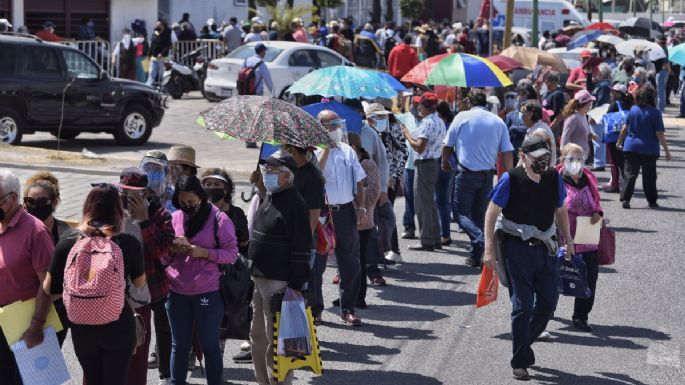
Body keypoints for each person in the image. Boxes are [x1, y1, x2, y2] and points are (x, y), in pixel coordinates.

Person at [27, 184, 145, 385]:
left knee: (93, 378)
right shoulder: (128, 242)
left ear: (87, 208)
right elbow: (139, 283)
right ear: (118, 210)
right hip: (118, 323)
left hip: (83, 327)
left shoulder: (69, 240)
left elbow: (49, 288)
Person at [483, 136, 574, 381]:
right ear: (523, 156)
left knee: (547, 305)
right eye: (538, 160)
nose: (543, 164)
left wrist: (569, 239)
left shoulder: (553, 177)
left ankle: (525, 344)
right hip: (517, 250)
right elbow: (492, 213)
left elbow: (560, 209)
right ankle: (520, 361)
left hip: (546, 248)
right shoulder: (510, 178)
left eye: (546, 159)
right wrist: (488, 249)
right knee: (522, 306)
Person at [165, 175, 237, 385]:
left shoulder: (219, 219)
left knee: (209, 346)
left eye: (192, 202)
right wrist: (171, 249)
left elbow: (231, 253)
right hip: (177, 291)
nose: (187, 206)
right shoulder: (175, 217)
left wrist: (204, 253)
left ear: (202, 197)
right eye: (183, 202)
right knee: (179, 346)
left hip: (207, 291)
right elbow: (162, 255)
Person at [249, 150, 311, 385]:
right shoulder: (270, 197)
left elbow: (301, 248)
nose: (268, 174)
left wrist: (295, 286)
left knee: (278, 341)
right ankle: (263, 381)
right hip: (259, 279)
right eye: (267, 170)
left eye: (273, 171)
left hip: (279, 283)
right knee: (258, 337)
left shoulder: (295, 204)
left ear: (287, 176)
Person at [111, 168, 175, 385]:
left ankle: (159, 375)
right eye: (124, 192)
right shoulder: (112, 212)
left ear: (146, 193)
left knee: (138, 347)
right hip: (111, 292)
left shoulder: (160, 215)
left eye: (134, 194)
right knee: (113, 349)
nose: (128, 199)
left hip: (144, 292)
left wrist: (144, 220)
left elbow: (161, 251)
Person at [442, 89, 514, 267]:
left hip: (466, 173)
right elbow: (507, 151)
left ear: (469, 101)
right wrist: (511, 174)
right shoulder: (498, 121)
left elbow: (447, 144)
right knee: (479, 214)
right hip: (487, 176)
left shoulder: (461, 117)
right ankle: (476, 256)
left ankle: (481, 240)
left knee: (460, 213)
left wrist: (444, 160)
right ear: (486, 103)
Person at [0, 169, 55, 385]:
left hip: (25, 327)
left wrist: (36, 327)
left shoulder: (36, 232)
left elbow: (47, 285)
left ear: (13, 197)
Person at [316, 110, 366, 325]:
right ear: (321, 126)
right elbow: (316, 174)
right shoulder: (313, 151)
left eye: (338, 124)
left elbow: (359, 180)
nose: (336, 129)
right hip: (322, 213)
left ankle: (348, 308)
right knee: (317, 263)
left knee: (350, 262)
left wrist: (361, 207)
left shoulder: (348, 150)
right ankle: (316, 309)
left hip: (345, 210)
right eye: (331, 124)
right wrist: (325, 149)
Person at [22, 172, 74, 347]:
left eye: (42, 202)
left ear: (55, 203)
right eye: (30, 202)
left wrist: (42, 302)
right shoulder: (16, 230)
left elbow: (70, 281)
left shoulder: (67, 236)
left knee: (43, 368)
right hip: (19, 309)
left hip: (56, 311)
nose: (35, 207)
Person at [555, 143, 603, 332]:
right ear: (562, 160)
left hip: (587, 235)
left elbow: (596, 201)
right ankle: (544, 309)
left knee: (590, 279)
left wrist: (598, 212)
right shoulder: (555, 178)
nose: (576, 163)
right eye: (571, 159)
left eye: (580, 159)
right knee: (554, 276)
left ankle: (581, 316)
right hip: (562, 238)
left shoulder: (589, 177)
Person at [281, 144, 326, 323]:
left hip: (302, 245)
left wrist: (302, 243)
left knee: (300, 288)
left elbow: (314, 216)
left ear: (295, 151)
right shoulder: (287, 172)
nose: (283, 152)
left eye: (286, 148)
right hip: (284, 240)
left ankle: (301, 334)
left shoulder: (312, 176)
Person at [400, 92, 445, 251]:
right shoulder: (439, 120)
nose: (419, 108)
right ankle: (434, 238)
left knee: (422, 204)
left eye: (421, 105)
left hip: (425, 164)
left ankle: (426, 240)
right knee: (430, 203)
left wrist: (407, 135)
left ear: (427, 107)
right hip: (433, 163)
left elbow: (419, 146)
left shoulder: (427, 122)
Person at [617, 86, 672, 209]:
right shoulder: (655, 113)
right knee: (649, 176)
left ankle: (625, 199)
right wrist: (666, 150)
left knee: (630, 174)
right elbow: (659, 133)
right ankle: (652, 200)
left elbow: (624, 128)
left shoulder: (633, 109)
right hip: (649, 149)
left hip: (631, 147)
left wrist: (619, 142)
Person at [348, 132, 381, 308]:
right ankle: (348, 294)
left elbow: (374, 191)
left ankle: (359, 296)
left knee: (359, 260)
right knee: (347, 262)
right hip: (347, 220)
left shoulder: (367, 164)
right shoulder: (348, 164)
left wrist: (355, 195)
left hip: (363, 222)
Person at [603, 84, 633, 193]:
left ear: (619, 94)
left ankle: (615, 185)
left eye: (614, 92)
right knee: (624, 162)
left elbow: (607, 118)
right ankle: (625, 184)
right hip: (627, 138)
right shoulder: (630, 105)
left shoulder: (614, 105)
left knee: (614, 162)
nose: (612, 93)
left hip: (613, 137)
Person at [587, 63, 613, 171]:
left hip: (598, 114)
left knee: (597, 139)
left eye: (597, 72)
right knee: (597, 139)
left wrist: (594, 116)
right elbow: (590, 87)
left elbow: (601, 101)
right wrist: (588, 75)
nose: (596, 74)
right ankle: (599, 162)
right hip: (599, 113)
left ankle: (599, 164)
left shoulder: (603, 85)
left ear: (601, 73)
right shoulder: (602, 84)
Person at [561, 90, 595, 161]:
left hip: (581, 157)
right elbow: (565, 137)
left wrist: (591, 136)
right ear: (584, 104)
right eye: (589, 104)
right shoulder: (573, 118)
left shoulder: (583, 116)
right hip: (573, 157)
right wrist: (564, 155)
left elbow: (583, 134)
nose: (590, 106)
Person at [520, 101, 557, 166]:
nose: (521, 117)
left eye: (523, 113)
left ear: (530, 114)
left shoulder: (539, 132)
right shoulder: (535, 128)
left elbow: (541, 160)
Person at [147, 20, 176, 87]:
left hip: (163, 59)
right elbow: (152, 45)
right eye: (157, 25)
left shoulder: (167, 33)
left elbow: (167, 46)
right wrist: (149, 55)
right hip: (154, 58)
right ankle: (148, 87)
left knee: (164, 75)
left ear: (163, 26)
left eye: (159, 25)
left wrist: (162, 54)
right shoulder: (155, 33)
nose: (157, 26)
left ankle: (166, 88)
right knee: (151, 74)